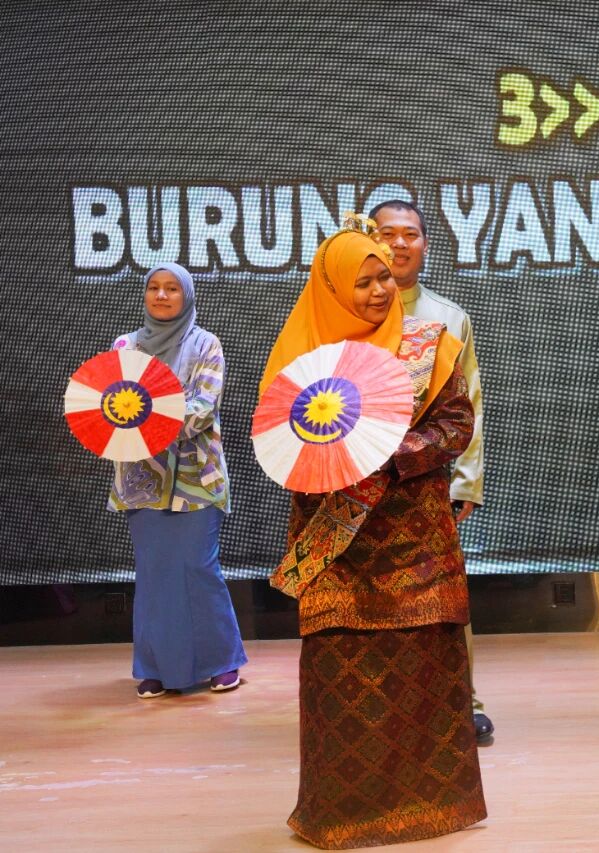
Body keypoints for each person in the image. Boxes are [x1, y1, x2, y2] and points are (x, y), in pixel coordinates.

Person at [261, 221, 485, 848]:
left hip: (417, 543)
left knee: (422, 673)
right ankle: (341, 816)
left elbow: (455, 425)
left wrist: (388, 452)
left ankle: (434, 808)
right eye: (362, 282)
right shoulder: (299, 358)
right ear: (333, 288)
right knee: (341, 677)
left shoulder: (428, 345)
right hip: (339, 549)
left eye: (384, 275)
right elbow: (287, 452)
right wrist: (337, 456)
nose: (380, 290)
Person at [371, 200, 494, 744]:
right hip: (358, 480)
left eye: (411, 234)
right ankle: (376, 706)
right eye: (387, 233)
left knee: (443, 597)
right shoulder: (342, 312)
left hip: (427, 479)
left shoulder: (448, 317)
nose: (399, 244)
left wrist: (465, 481)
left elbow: (470, 407)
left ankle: (461, 702)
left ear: (425, 244)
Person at [109, 262, 246, 698]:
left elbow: (201, 409)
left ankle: (221, 662)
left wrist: (147, 414)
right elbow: (112, 407)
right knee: (154, 572)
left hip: (195, 476)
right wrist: (142, 413)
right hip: (141, 478)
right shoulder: (125, 346)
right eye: (154, 287)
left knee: (197, 568)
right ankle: (155, 667)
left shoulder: (206, 344)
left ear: (186, 296)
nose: (162, 295)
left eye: (172, 288)